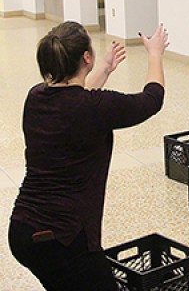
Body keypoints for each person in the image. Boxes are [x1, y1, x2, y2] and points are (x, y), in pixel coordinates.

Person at [8, 21, 169, 290]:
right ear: (86, 57)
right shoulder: (95, 107)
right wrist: (154, 54)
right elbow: (152, 99)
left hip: (23, 231)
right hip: (64, 238)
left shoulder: (35, 97)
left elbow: (73, 100)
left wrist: (105, 69)